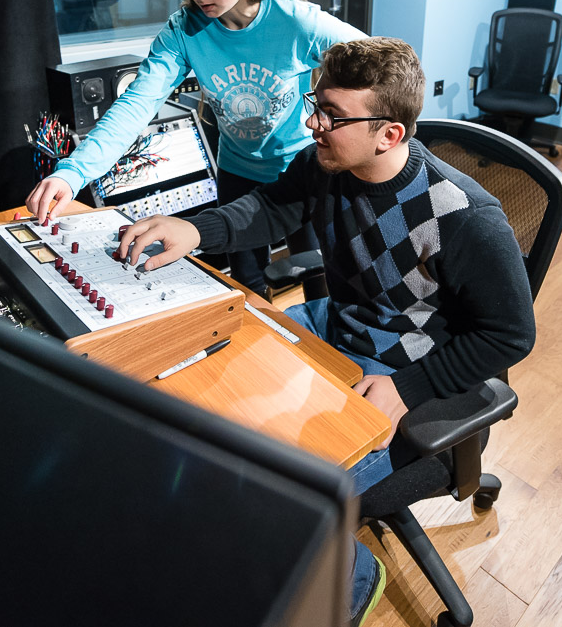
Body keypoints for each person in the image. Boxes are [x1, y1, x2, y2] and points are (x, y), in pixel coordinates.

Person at [111, 37, 536, 627]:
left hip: (405, 375)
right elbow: (269, 209)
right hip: (333, 335)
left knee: (270, 494)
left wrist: (408, 389)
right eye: (318, 104)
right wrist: (196, 230)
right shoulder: (325, 163)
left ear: (389, 133)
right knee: (199, 419)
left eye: (333, 116)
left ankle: (352, 580)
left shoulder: (466, 217)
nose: (314, 123)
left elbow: (510, 336)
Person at [28, 0, 364, 294]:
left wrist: (332, 110)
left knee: (320, 275)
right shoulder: (184, 30)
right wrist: (73, 172)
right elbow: (137, 103)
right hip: (239, 172)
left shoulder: (297, 22)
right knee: (248, 285)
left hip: (302, 170)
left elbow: (377, 64)